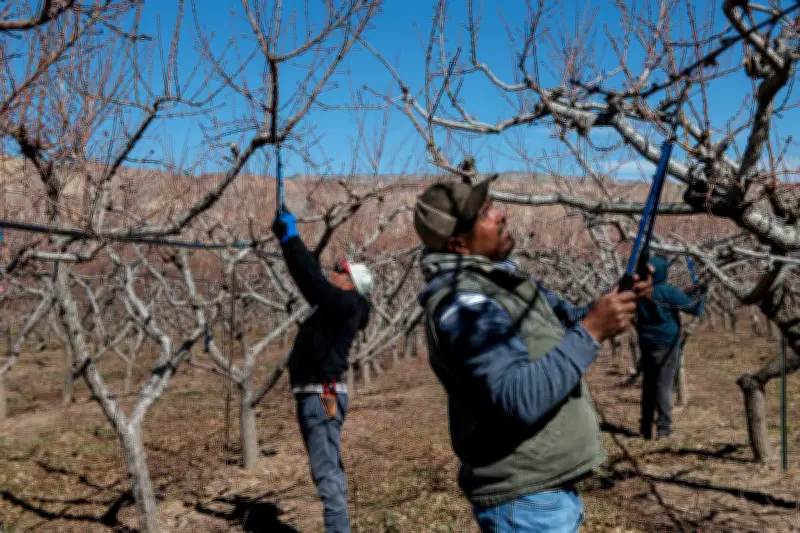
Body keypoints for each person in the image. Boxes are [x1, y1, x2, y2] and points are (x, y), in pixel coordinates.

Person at [413, 174, 653, 533]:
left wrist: (618, 298)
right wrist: (592, 331)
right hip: (527, 503)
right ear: (459, 245)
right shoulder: (467, 307)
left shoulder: (501, 281)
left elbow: (565, 320)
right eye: (486, 213)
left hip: (541, 493)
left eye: (492, 204)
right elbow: (516, 398)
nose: (502, 214)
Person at [271, 208, 373, 533]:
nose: (333, 273)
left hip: (321, 397)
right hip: (321, 396)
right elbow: (313, 276)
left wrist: (291, 239)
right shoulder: (340, 307)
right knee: (329, 466)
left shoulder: (346, 304)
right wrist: (291, 243)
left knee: (326, 471)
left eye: (339, 271)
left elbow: (311, 281)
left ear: (350, 282)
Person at [634, 255, 706, 440]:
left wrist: (687, 293)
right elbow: (694, 309)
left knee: (649, 384)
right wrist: (702, 293)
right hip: (667, 343)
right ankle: (664, 429)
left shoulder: (639, 290)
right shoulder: (667, 291)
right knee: (664, 385)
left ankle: (645, 427)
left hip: (646, 343)